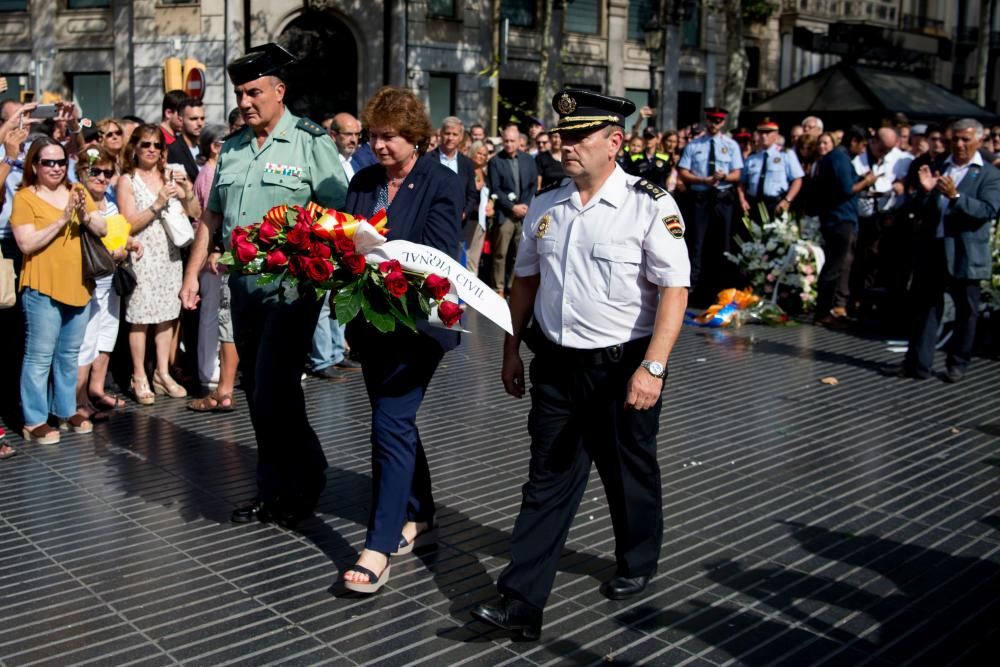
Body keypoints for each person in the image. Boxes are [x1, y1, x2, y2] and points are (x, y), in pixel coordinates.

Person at [471, 88, 690, 640]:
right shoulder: (547, 205)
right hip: (556, 368)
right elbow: (524, 282)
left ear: (614, 143)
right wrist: (510, 349)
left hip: (622, 369)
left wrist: (654, 368)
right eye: (562, 136)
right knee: (546, 480)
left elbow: (675, 290)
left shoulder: (648, 204)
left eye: (578, 136)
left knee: (628, 471)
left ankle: (637, 558)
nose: (565, 145)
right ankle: (521, 601)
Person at [179, 43, 348, 527]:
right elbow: (212, 217)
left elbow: (336, 215)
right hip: (244, 289)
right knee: (256, 388)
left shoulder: (310, 142)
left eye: (254, 92)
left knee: (275, 386)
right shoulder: (232, 148)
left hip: (293, 289)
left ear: (279, 91)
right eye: (240, 94)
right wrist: (191, 274)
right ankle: (276, 488)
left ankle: (302, 479)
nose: (245, 101)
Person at [340, 86, 464, 593]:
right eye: (374, 136)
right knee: (396, 423)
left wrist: (380, 249)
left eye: (389, 136)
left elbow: (437, 255)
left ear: (415, 137)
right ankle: (423, 513)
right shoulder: (365, 179)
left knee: (389, 424)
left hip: (419, 326)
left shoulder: (441, 181)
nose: (378, 145)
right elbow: (346, 237)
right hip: (372, 323)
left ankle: (380, 544)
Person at [10, 137, 107, 444]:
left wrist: (84, 215)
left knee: (68, 355)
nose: (56, 168)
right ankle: (34, 420)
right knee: (39, 357)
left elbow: (103, 228)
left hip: (78, 284)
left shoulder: (77, 191)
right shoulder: (24, 197)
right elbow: (26, 243)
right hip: (42, 285)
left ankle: (65, 411)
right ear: (34, 165)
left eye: (61, 162)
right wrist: (63, 219)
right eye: (48, 162)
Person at [890, 119, 1000, 381]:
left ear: (978, 141)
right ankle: (918, 364)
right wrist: (924, 191)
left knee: (966, 310)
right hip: (933, 247)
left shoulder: (989, 174)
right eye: (955, 139)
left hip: (964, 250)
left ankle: (958, 362)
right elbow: (918, 206)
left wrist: (956, 197)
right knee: (925, 307)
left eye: (965, 140)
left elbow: (988, 210)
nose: (959, 145)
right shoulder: (940, 165)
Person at [118, 124, 201, 404]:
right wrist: (158, 203)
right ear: (135, 147)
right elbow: (128, 224)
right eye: (146, 144)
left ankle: (163, 373)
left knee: (167, 315)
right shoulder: (127, 180)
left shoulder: (170, 174)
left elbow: (195, 213)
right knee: (140, 318)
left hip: (170, 255)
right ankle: (139, 375)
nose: (151, 150)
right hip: (142, 255)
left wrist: (188, 191)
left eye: (157, 145)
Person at [74, 148, 142, 418]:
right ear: (82, 172)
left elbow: (117, 233)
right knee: (85, 343)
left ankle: (96, 389)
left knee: (106, 337)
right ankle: (78, 401)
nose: (102, 177)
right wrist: (113, 252)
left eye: (107, 172)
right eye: (96, 171)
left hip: (110, 282)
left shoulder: (110, 201)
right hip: (88, 283)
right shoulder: (79, 202)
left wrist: (130, 243)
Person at [187, 123, 241, 411]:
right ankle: (209, 373)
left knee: (223, 316)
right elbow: (212, 216)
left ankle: (219, 377)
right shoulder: (210, 174)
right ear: (215, 146)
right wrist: (215, 249)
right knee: (214, 315)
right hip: (212, 255)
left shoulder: (217, 170)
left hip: (220, 253)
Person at [677, 106, 743, 302]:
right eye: (711, 120)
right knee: (697, 242)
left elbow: (737, 173)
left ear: (723, 123)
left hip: (723, 197)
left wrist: (725, 177)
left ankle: (721, 288)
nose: (714, 124)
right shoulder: (694, 145)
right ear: (706, 120)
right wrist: (703, 180)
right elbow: (683, 172)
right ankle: (693, 288)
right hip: (702, 196)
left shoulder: (731, 145)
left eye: (718, 121)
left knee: (723, 243)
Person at [813, 126, 868, 327]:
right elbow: (846, 189)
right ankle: (823, 311)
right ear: (853, 141)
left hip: (839, 218)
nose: (863, 150)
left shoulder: (838, 158)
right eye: (862, 145)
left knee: (836, 266)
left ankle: (826, 309)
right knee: (834, 267)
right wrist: (866, 181)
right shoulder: (839, 158)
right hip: (839, 219)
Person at [487, 124, 537, 295]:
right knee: (500, 254)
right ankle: (498, 288)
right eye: (506, 141)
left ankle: (513, 287)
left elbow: (532, 186)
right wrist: (512, 207)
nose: (508, 144)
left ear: (519, 141)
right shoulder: (495, 161)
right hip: (505, 214)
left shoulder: (528, 160)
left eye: (512, 141)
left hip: (524, 213)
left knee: (520, 253)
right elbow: (495, 188)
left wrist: (525, 206)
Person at [739, 118, 804, 222]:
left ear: (776, 135)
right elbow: (742, 182)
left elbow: (797, 179)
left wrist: (787, 200)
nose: (764, 136)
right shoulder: (752, 157)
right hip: (754, 204)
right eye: (761, 132)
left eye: (768, 132)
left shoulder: (786, 154)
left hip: (776, 204)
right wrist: (742, 200)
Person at [466, 139, 494, 273]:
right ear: (472, 153)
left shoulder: (485, 174)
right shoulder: (466, 171)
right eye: (479, 153)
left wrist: (491, 204)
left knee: (474, 258)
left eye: (484, 154)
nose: (481, 157)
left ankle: (472, 280)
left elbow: (490, 194)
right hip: (468, 219)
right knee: (465, 255)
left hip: (481, 221)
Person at [166, 96, 205, 182]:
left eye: (202, 118)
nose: (200, 123)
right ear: (181, 120)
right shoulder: (173, 150)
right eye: (193, 119)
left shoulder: (206, 148)